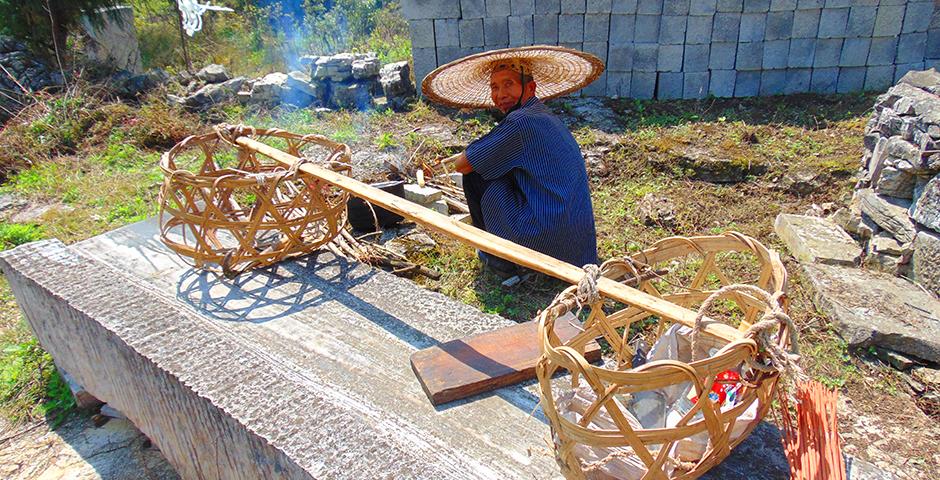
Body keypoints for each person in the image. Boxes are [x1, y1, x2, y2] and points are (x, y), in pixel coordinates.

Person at [421, 46, 604, 278]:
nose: (500, 94)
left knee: (475, 174)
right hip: (578, 247)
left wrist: (481, 148)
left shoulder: (520, 122)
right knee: (497, 165)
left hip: (551, 241)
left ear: (530, 88)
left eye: (509, 84)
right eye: (494, 87)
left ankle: (498, 258)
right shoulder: (543, 115)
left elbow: (462, 164)